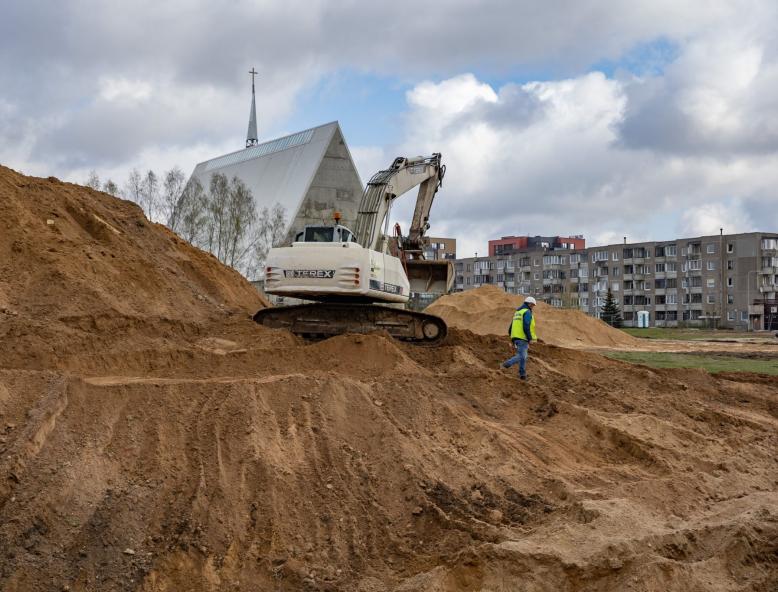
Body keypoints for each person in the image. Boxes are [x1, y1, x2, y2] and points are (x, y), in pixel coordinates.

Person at [501, 296, 538, 380]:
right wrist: (529, 338)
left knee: (523, 356)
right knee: (521, 356)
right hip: (522, 337)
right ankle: (506, 364)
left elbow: (511, 327)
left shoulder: (517, 312)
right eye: (532, 305)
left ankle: (522, 375)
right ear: (529, 304)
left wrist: (512, 337)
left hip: (516, 337)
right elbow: (526, 326)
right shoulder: (527, 312)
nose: (532, 307)